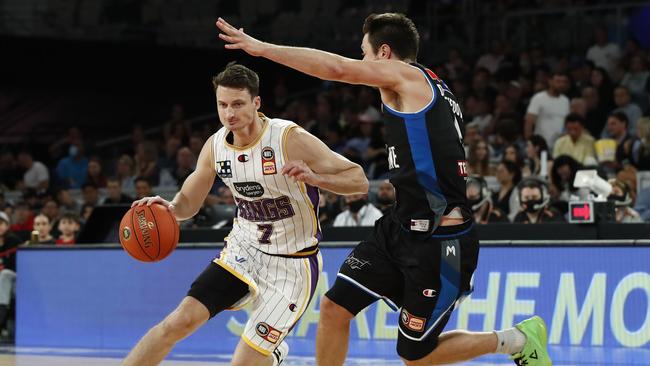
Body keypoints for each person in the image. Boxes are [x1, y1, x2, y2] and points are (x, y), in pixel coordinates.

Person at [217, 13, 550, 366]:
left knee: (415, 358)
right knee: (334, 307)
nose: (361, 61)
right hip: (398, 227)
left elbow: (338, 70)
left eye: (365, 53)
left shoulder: (408, 76)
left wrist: (262, 49)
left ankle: (516, 339)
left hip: (439, 241)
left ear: (385, 53)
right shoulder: (426, 88)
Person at [122, 64, 368, 366]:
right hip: (244, 251)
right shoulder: (215, 146)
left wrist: (316, 179)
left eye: (237, 104)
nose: (229, 114)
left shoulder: (288, 139)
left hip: (292, 264)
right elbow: (188, 203)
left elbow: (358, 179)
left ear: (256, 103)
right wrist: (168, 210)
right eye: (222, 105)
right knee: (177, 322)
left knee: (243, 362)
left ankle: (272, 355)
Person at [524, 71, 570, 148]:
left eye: (564, 82)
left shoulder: (566, 100)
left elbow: (566, 123)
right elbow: (529, 122)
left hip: (559, 146)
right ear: (550, 82)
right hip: (540, 144)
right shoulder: (538, 98)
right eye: (558, 81)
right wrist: (529, 142)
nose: (561, 85)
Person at [0, 211, 20, 338]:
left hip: (15, 280)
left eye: (1, 223)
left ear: (7, 226)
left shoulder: (14, 241)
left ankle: (0, 317)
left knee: (5, 274)